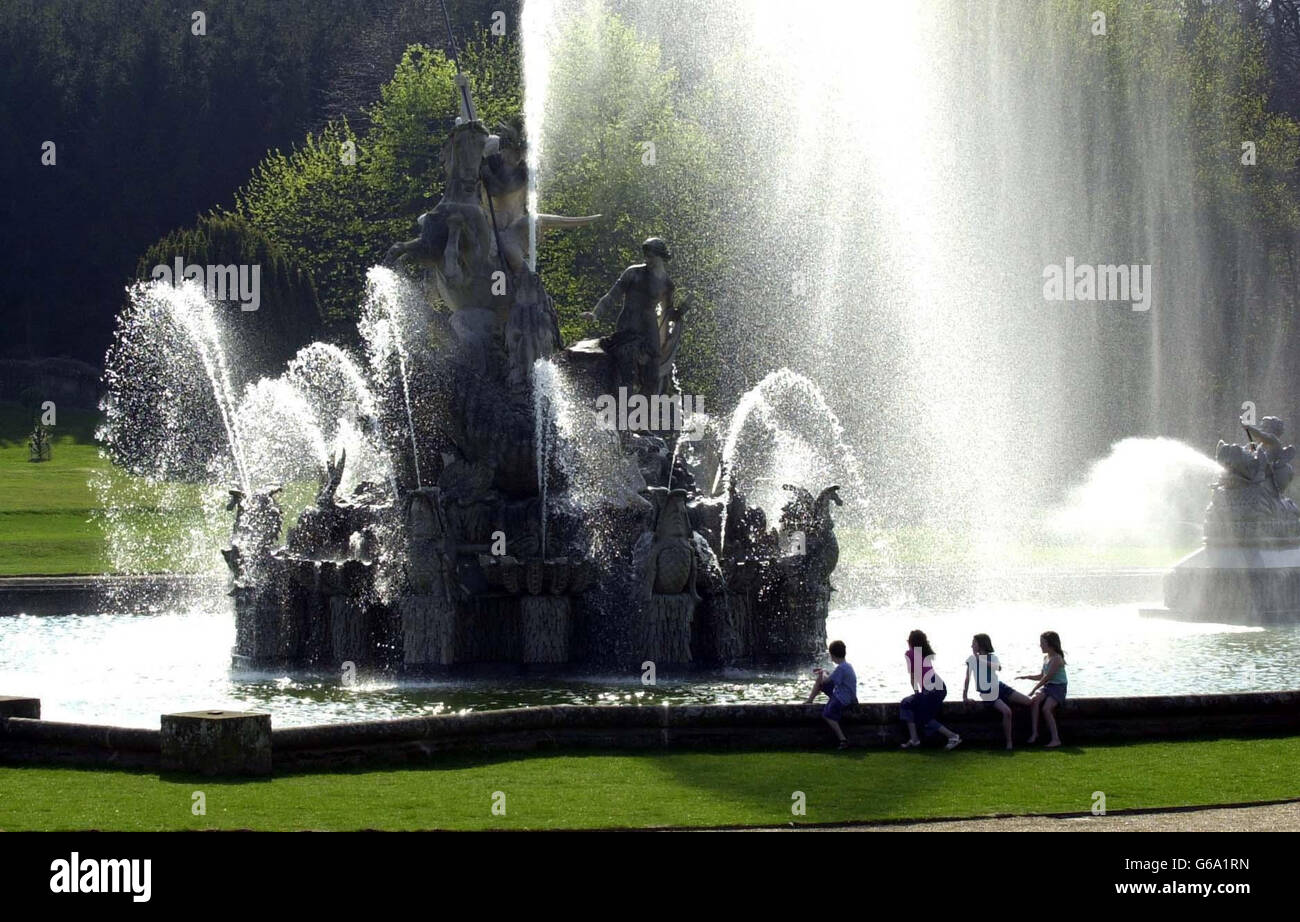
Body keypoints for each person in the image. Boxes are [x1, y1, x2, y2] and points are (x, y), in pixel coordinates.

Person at [962, 633, 1032, 750]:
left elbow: (998, 668)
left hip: (999, 687)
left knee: (1029, 702)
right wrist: (965, 696)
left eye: (974, 643)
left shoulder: (992, 657)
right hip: (987, 692)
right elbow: (967, 678)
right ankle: (1009, 742)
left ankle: (1033, 733)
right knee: (1007, 712)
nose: (971, 645)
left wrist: (981, 659)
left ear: (981, 644)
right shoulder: (971, 660)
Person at [900, 629, 961, 750]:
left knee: (924, 717)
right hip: (937, 686)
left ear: (911, 642)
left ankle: (953, 736)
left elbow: (913, 676)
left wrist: (917, 693)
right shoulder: (923, 653)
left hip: (933, 687)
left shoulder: (910, 653)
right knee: (906, 703)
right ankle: (914, 739)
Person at [1018, 631, 1068, 748]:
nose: (1040, 645)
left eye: (1042, 643)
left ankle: (1055, 739)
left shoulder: (1057, 658)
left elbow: (1047, 677)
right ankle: (1035, 733)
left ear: (1050, 644)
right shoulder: (1046, 658)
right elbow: (1041, 675)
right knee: (1035, 700)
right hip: (1048, 686)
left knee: (1046, 709)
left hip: (1058, 688)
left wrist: (1033, 689)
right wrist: (1027, 677)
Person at [804, 639, 857, 749]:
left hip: (842, 698)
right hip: (846, 695)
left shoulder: (841, 668)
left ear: (832, 655)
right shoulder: (847, 666)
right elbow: (832, 678)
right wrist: (824, 672)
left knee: (827, 715)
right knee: (821, 678)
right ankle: (810, 700)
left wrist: (822, 674)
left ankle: (843, 739)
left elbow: (825, 682)